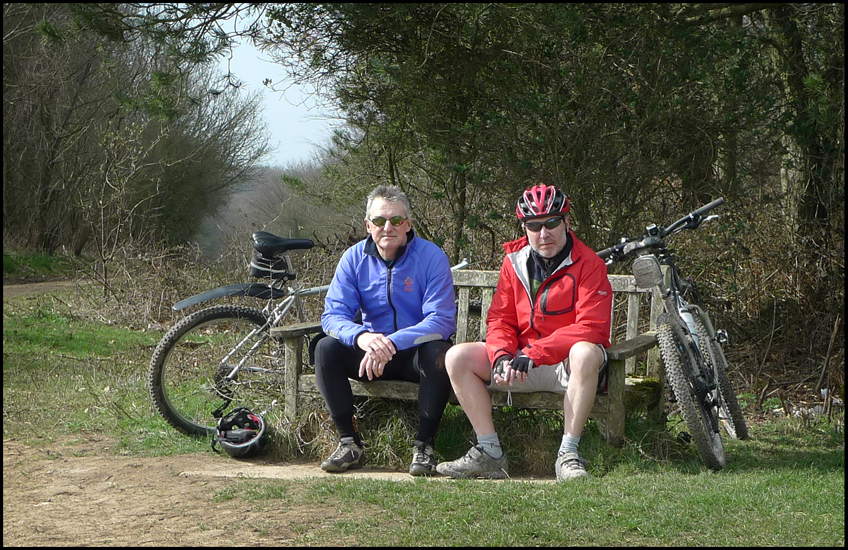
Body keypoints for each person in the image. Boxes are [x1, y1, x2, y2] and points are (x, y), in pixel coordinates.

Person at [436, 183, 612, 481]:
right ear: (524, 228)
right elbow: (501, 319)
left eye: (552, 223)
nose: (544, 234)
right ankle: (490, 453)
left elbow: (591, 327)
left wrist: (535, 354)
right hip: (520, 365)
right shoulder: (513, 263)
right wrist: (502, 354)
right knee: (457, 357)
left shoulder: (590, 264)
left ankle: (568, 455)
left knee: (584, 351)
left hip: (566, 368)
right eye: (534, 226)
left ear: (567, 222)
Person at [315, 185, 456, 476]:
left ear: (408, 224)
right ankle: (349, 444)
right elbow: (332, 316)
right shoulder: (353, 259)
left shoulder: (431, 257)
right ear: (368, 225)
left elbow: (441, 321)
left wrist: (391, 342)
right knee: (325, 347)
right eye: (379, 221)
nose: (387, 227)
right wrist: (362, 337)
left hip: (414, 354)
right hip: (371, 355)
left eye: (396, 220)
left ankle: (424, 446)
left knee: (440, 352)